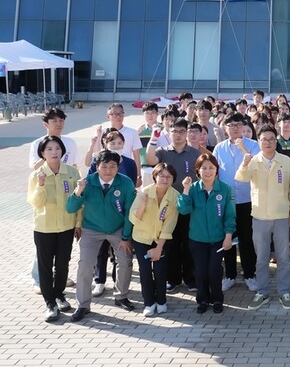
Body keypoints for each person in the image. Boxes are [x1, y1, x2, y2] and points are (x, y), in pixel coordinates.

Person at [66, 150, 138, 322]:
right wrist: (78, 191)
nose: (108, 170)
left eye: (112, 166)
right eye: (103, 166)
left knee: (125, 261)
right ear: (96, 167)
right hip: (92, 229)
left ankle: (121, 296)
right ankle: (83, 305)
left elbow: (130, 212)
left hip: (118, 228)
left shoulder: (126, 183)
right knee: (85, 265)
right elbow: (70, 208)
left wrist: (126, 237)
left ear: (117, 167)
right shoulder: (88, 182)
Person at [235, 125, 290, 311]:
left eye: (271, 138)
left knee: (283, 257)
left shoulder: (286, 161)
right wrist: (245, 162)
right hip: (260, 216)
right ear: (259, 141)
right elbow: (240, 178)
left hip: (281, 216)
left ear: (276, 140)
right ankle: (262, 292)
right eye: (264, 139)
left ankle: (284, 291)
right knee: (261, 258)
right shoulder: (253, 160)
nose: (268, 142)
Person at [28, 135, 82, 322]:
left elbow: (79, 201)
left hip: (67, 226)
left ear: (62, 151)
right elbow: (35, 202)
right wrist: (41, 185)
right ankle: (50, 303)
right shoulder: (37, 175)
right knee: (45, 266)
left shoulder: (72, 173)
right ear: (42, 153)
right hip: (44, 227)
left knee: (62, 263)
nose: (54, 152)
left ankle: (59, 295)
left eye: (57, 148)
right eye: (49, 149)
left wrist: (78, 223)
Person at [146, 118, 200, 293]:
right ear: (169, 132)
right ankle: (173, 278)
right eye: (174, 131)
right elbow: (150, 158)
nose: (178, 135)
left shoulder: (194, 153)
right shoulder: (163, 151)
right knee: (171, 242)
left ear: (187, 133)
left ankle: (190, 278)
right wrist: (153, 138)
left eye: (181, 131)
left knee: (189, 242)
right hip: (167, 205)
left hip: (187, 204)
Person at [178, 154, 236, 314]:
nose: (208, 171)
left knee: (214, 270)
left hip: (218, 239)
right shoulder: (194, 189)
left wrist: (228, 236)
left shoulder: (225, 189)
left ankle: (217, 299)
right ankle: (202, 299)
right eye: (204, 168)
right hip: (197, 239)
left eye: (211, 167)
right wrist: (186, 189)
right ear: (197, 171)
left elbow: (230, 215)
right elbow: (183, 210)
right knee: (201, 270)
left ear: (217, 170)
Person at [212, 113, 260, 292]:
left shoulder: (253, 145)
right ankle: (230, 275)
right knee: (228, 238)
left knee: (247, 239)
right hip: (226, 201)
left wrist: (242, 149)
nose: (235, 129)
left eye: (238, 125)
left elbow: (256, 166)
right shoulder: (219, 148)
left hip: (247, 200)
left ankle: (250, 274)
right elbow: (215, 172)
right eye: (231, 125)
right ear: (225, 128)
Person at [128, 163, 180, 317]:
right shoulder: (144, 192)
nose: (165, 179)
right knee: (145, 271)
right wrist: (143, 205)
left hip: (160, 239)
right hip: (141, 238)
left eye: (168, 177)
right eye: (161, 176)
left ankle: (161, 301)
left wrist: (159, 248)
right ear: (155, 176)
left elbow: (169, 225)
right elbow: (133, 218)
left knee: (160, 270)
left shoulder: (175, 196)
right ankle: (149, 303)